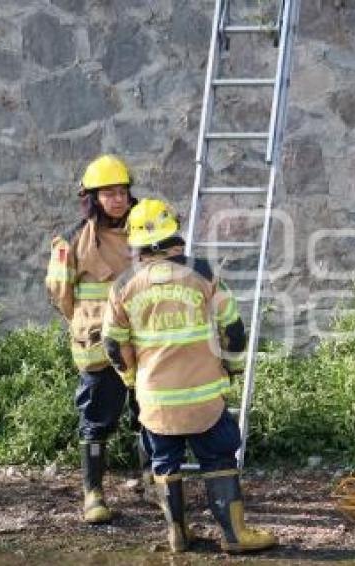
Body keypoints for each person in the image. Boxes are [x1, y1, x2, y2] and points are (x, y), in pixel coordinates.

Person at [102, 198, 276, 553]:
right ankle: (234, 535)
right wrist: (232, 368)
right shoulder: (203, 273)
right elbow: (234, 330)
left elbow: (112, 344)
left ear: (135, 243)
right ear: (173, 233)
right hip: (203, 397)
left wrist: (133, 380)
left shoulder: (123, 285)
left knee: (164, 462)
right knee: (219, 457)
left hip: (155, 400)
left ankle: (176, 535)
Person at [45, 154, 152, 524]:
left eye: (122, 192)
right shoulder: (74, 239)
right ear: (92, 197)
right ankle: (93, 494)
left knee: (150, 412)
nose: (118, 199)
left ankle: (153, 482)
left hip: (143, 340)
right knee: (96, 418)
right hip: (97, 344)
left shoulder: (145, 232)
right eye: (109, 193)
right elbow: (60, 291)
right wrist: (85, 321)